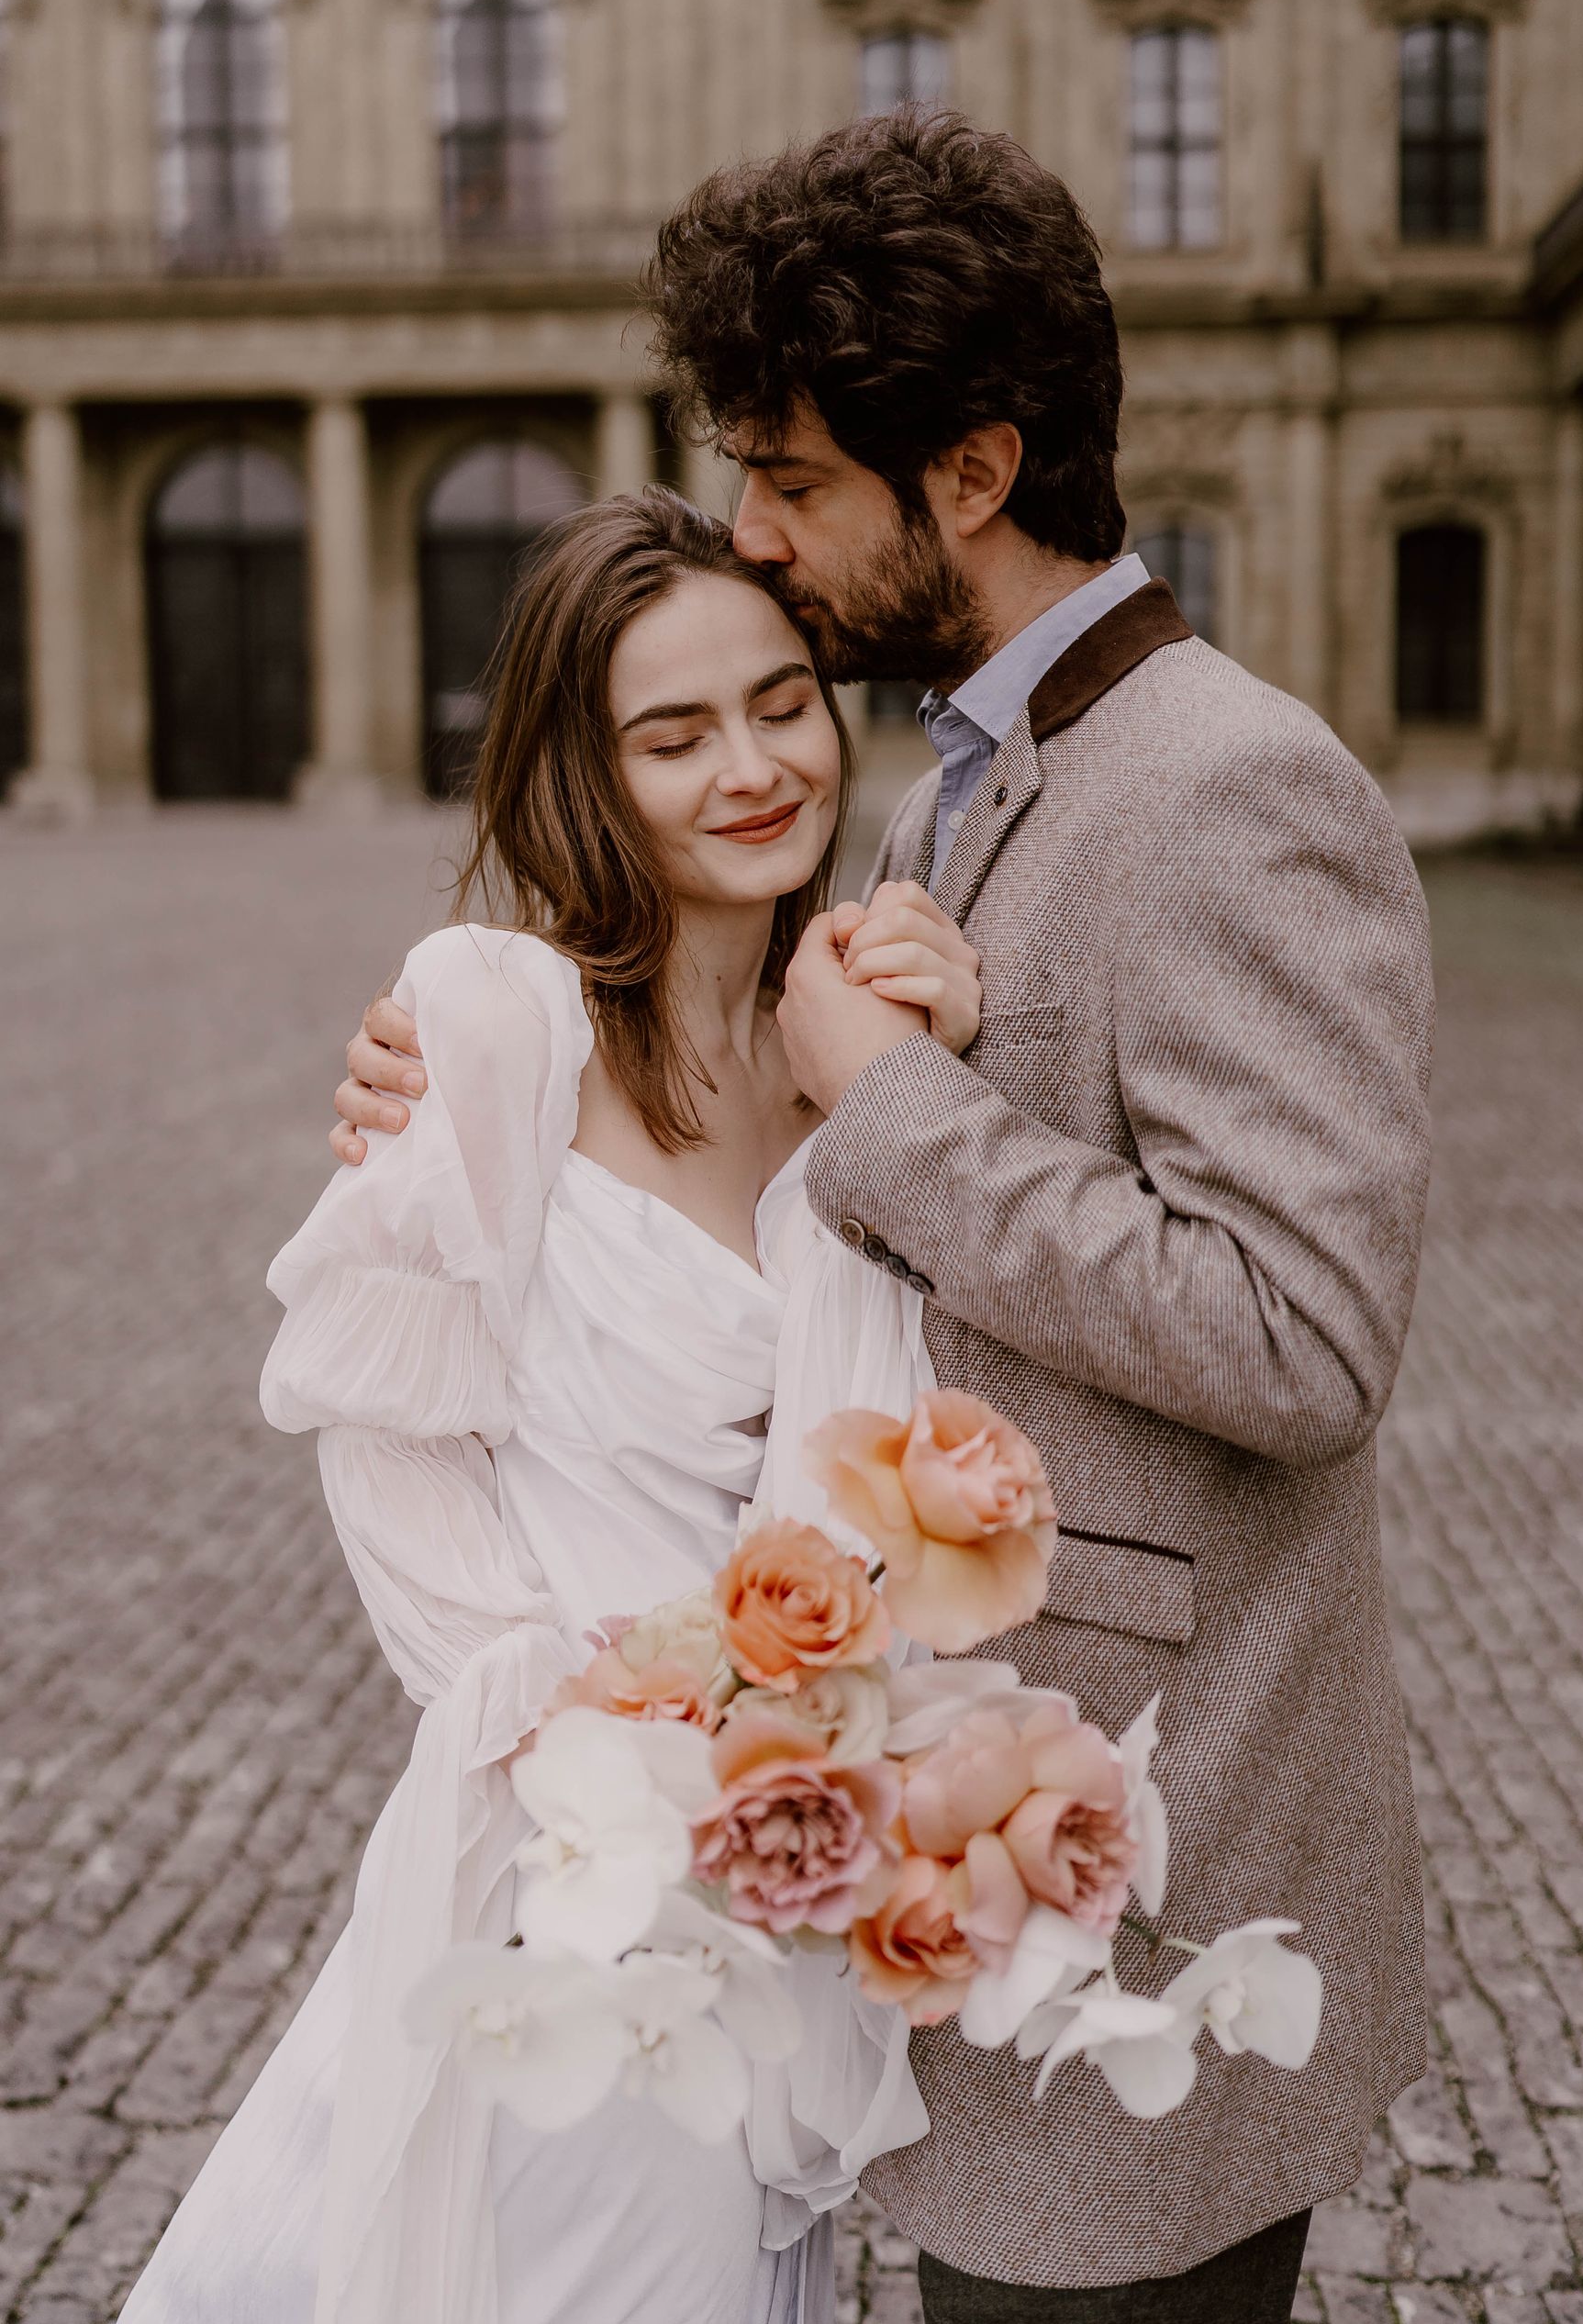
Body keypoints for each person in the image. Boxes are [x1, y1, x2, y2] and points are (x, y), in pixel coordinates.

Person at [332, 112, 1435, 2323]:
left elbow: (1307, 1342)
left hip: (1148, 1857)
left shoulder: (1230, 785)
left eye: (792, 480)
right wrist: (482, 1066)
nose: (754, 531)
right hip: (939, 1875)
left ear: (973, 472)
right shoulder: (963, 767)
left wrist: (900, 1116)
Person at [122, 488, 991, 2324]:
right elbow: (390, 1451)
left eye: (782, 702)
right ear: (578, 774)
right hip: (564, 1867)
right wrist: (590, 1753)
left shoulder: (864, 1037)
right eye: (673, 736)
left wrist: (933, 1078)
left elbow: (921, 1457)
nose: (754, 767)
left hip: (786, 1888)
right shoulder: (497, 1025)